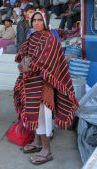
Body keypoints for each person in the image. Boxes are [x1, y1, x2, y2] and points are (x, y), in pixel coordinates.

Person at [14, 9, 79, 165]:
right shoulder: (31, 37)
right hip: (30, 82)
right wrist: (22, 65)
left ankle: (47, 151)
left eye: (39, 20)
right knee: (35, 114)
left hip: (44, 84)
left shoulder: (50, 38)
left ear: (45, 22)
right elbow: (24, 55)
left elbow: (49, 62)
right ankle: (37, 143)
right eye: (34, 20)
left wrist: (31, 68)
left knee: (44, 116)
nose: (36, 23)